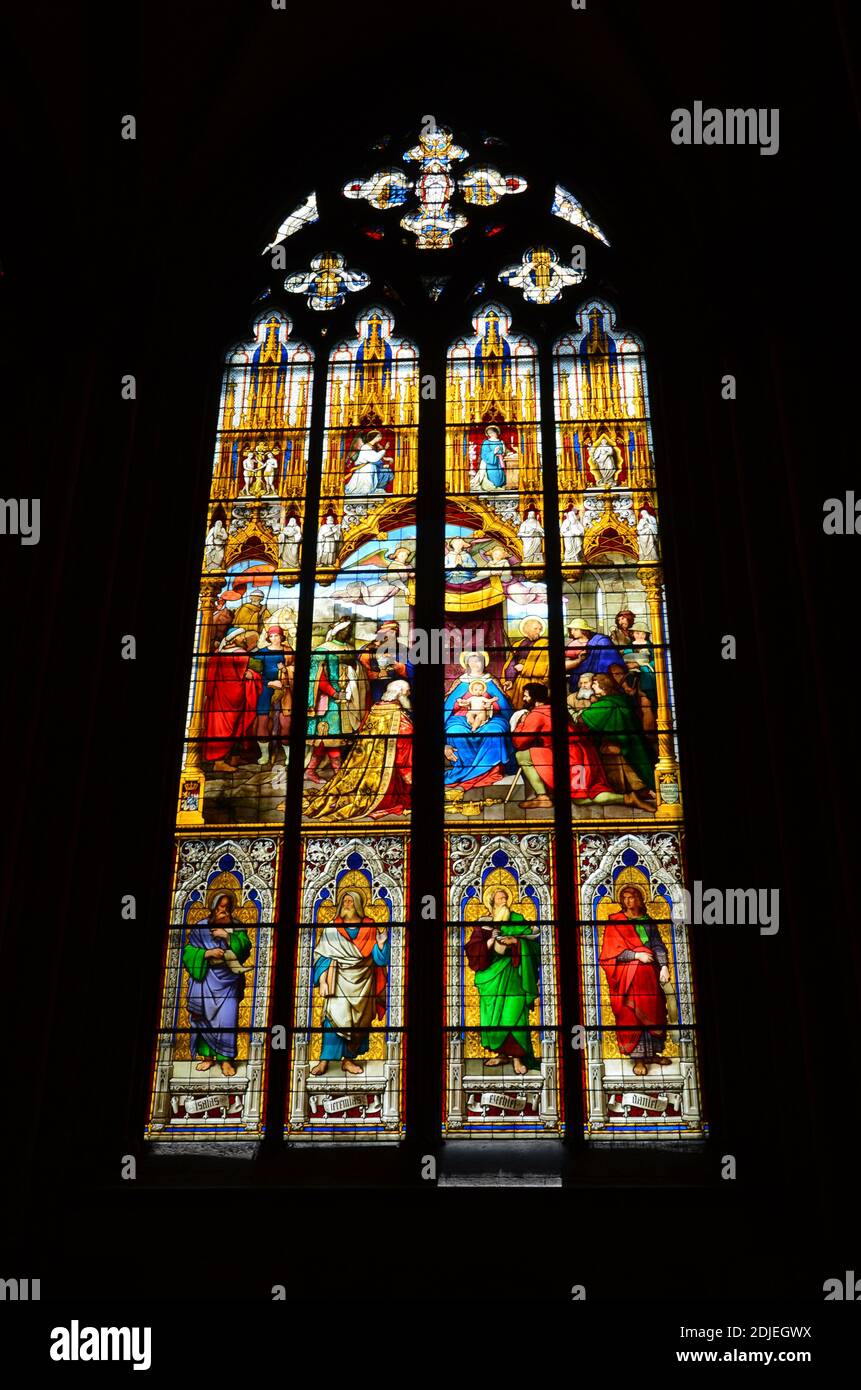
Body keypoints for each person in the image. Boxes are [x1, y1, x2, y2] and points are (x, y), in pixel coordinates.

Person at [309, 886, 390, 1076]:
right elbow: (321, 957)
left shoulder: (369, 926)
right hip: (338, 980)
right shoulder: (332, 928)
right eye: (344, 901)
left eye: (350, 901)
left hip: (364, 982)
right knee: (333, 1020)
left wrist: (380, 943)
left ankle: (348, 1060)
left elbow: (379, 960)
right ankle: (324, 1060)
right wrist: (322, 981)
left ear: (359, 905)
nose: (346, 904)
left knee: (359, 1024)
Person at [304, 679, 413, 820]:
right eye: (407, 692)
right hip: (388, 770)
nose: (409, 694)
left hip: (369, 761)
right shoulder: (397, 714)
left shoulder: (376, 708)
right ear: (400, 694)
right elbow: (404, 740)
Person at [465, 887, 540, 1074]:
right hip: (491, 977)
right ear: (492, 902)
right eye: (500, 898)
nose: (504, 901)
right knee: (493, 1019)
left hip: (514, 975)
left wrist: (516, 943)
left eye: (506, 898)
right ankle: (501, 1054)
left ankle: (518, 1058)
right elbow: (472, 950)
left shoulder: (517, 920)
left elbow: (535, 945)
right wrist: (490, 942)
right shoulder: (484, 923)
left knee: (514, 1016)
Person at [599, 884, 672, 1077]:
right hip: (627, 979)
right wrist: (636, 956)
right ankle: (639, 1058)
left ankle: (652, 1054)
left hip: (650, 976)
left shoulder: (648, 921)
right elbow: (609, 954)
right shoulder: (615, 922)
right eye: (625, 897)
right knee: (632, 1014)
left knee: (654, 1011)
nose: (629, 901)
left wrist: (664, 965)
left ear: (640, 899)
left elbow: (657, 945)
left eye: (633, 897)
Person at [510, 682, 616, 807]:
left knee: (521, 755)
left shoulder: (537, 714)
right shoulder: (556, 709)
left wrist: (521, 723)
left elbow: (519, 743)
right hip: (583, 753)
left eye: (526, 696)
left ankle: (542, 797)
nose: (524, 699)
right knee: (581, 798)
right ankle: (627, 798)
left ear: (535, 698)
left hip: (568, 755)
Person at [183, 892, 252, 1078]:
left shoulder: (236, 927)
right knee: (203, 1019)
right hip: (204, 978)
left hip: (228, 980)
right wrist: (207, 953)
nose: (224, 911)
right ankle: (207, 1057)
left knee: (228, 1019)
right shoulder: (200, 927)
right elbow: (188, 952)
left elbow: (245, 948)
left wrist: (228, 936)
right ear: (213, 907)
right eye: (220, 907)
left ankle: (225, 1060)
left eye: (227, 907)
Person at [571, 671, 657, 811]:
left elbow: (583, 720)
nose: (592, 688)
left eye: (595, 685)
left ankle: (639, 791)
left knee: (632, 773)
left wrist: (576, 713)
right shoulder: (619, 700)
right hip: (630, 742)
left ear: (604, 687)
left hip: (621, 745)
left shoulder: (607, 704)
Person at [305, 620, 369, 785]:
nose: (349, 632)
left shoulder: (349, 648)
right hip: (328, 703)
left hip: (347, 700)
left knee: (333, 740)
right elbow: (318, 678)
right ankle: (335, 775)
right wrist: (335, 693)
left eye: (350, 629)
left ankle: (313, 771)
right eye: (346, 629)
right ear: (337, 631)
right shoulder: (323, 649)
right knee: (329, 738)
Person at [444, 653, 516, 791]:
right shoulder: (460, 682)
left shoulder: (491, 681)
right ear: (467, 664)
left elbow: (502, 704)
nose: (476, 665)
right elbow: (449, 706)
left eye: (479, 662)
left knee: (496, 731)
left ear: (484, 663)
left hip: (490, 716)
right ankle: (464, 769)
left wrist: (489, 706)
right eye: (473, 662)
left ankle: (491, 771)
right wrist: (462, 704)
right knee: (454, 731)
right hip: (462, 717)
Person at [202, 628, 263, 773]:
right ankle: (219, 761)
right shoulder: (239, 653)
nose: (243, 638)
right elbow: (243, 674)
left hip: (219, 696)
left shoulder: (219, 653)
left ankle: (234, 758)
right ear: (233, 638)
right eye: (241, 636)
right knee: (228, 728)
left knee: (233, 727)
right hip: (230, 697)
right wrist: (255, 676)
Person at [251, 626, 292, 764]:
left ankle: (288, 755)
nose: (274, 638)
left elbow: (298, 668)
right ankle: (265, 755)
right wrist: (269, 683)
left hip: (286, 688)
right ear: (268, 637)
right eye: (272, 636)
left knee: (286, 722)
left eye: (277, 635)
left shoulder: (288, 652)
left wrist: (285, 672)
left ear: (282, 637)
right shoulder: (262, 652)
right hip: (265, 687)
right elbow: (254, 671)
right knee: (262, 721)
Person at [564, 618, 628, 689]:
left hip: (603, 672)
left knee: (610, 661)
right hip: (583, 676)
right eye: (571, 630)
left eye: (575, 629)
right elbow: (566, 664)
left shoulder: (599, 640)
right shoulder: (573, 644)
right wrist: (579, 660)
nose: (572, 632)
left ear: (583, 630)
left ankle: (624, 686)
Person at [503, 616, 549, 710]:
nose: (538, 631)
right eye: (535, 628)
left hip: (534, 682)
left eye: (540, 629)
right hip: (517, 681)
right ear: (526, 629)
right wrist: (509, 680)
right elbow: (512, 663)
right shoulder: (518, 644)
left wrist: (524, 668)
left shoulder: (545, 643)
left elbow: (545, 666)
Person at [344, 430, 394, 496]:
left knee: (387, 472)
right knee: (366, 488)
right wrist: (385, 450)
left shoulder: (373, 447)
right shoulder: (365, 447)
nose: (380, 437)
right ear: (374, 437)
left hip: (372, 468)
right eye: (379, 436)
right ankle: (369, 491)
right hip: (365, 470)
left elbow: (376, 460)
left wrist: (383, 465)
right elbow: (373, 458)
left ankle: (378, 488)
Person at [472, 425, 517, 492]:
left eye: (494, 433)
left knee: (501, 475)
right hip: (491, 463)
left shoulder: (500, 442)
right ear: (489, 434)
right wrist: (494, 452)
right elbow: (484, 455)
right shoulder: (487, 442)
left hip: (500, 462)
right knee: (494, 476)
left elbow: (505, 451)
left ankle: (500, 485)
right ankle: (493, 486)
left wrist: (509, 453)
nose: (493, 434)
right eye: (491, 433)